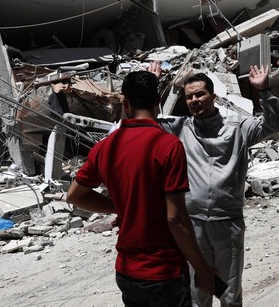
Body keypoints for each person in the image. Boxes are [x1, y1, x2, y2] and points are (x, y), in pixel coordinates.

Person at [66, 71, 215, 307]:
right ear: (158, 101)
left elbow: (74, 195)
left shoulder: (104, 148)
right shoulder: (168, 146)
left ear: (125, 102)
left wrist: (121, 207)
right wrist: (201, 268)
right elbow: (175, 218)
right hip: (163, 273)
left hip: (126, 271)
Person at [151, 63, 279, 307]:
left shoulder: (238, 127)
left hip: (227, 223)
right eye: (189, 96)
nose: (194, 100)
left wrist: (264, 90)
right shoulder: (180, 128)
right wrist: (151, 85)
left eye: (199, 94)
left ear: (214, 96)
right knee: (198, 290)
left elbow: (272, 126)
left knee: (229, 292)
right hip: (192, 225)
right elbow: (148, 123)